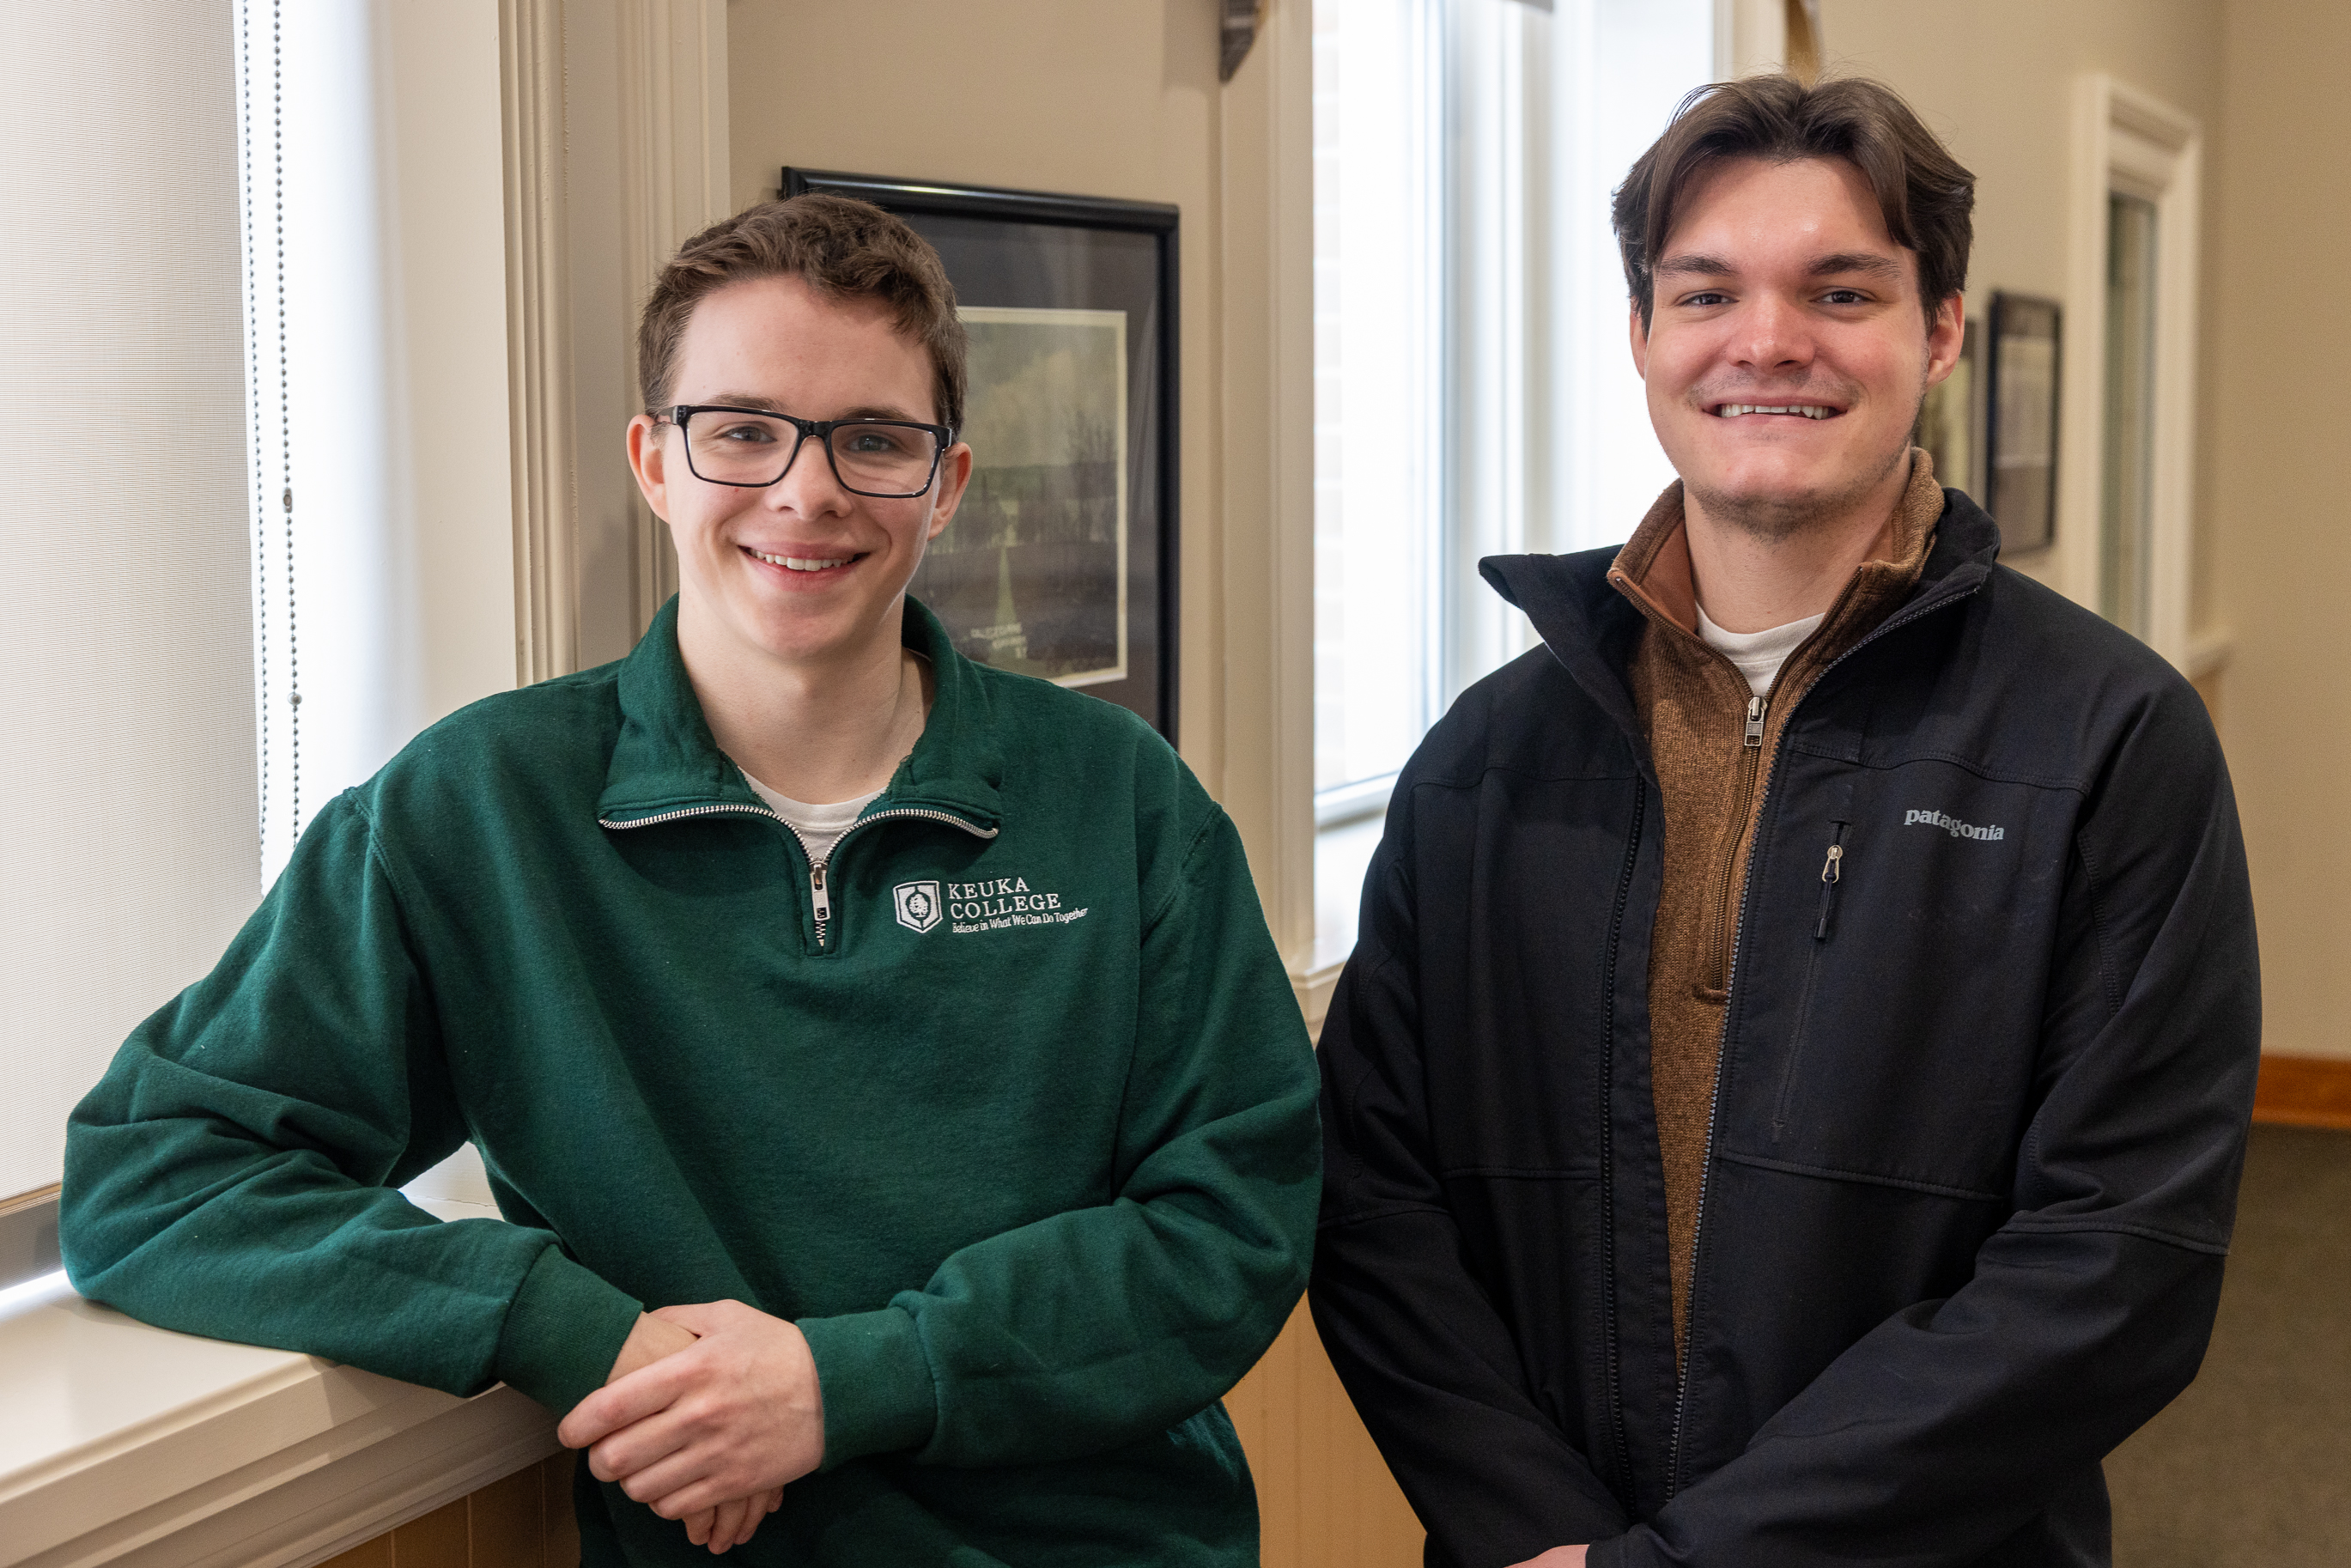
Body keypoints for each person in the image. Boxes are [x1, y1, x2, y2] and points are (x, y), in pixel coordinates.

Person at [63, 194, 1320, 1566]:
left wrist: (847, 1383)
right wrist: (564, 1325)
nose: (806, 491)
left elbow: (1233, 1223)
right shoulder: (476, 811)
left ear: (947, 483)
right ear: (654, 462)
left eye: (873, 440)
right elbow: (156, 1173)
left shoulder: (1121, 798)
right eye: (741, 430)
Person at [1309, 74, 2258, 1568]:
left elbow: (2113, 1262)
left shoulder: (2106, 743)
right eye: (1705, 293)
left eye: (1838, 291)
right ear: (1640, 335)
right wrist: (1543, 1536)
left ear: (1937, 331)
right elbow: (1376, 1208)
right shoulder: (1483, 763)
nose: (1765, 341)